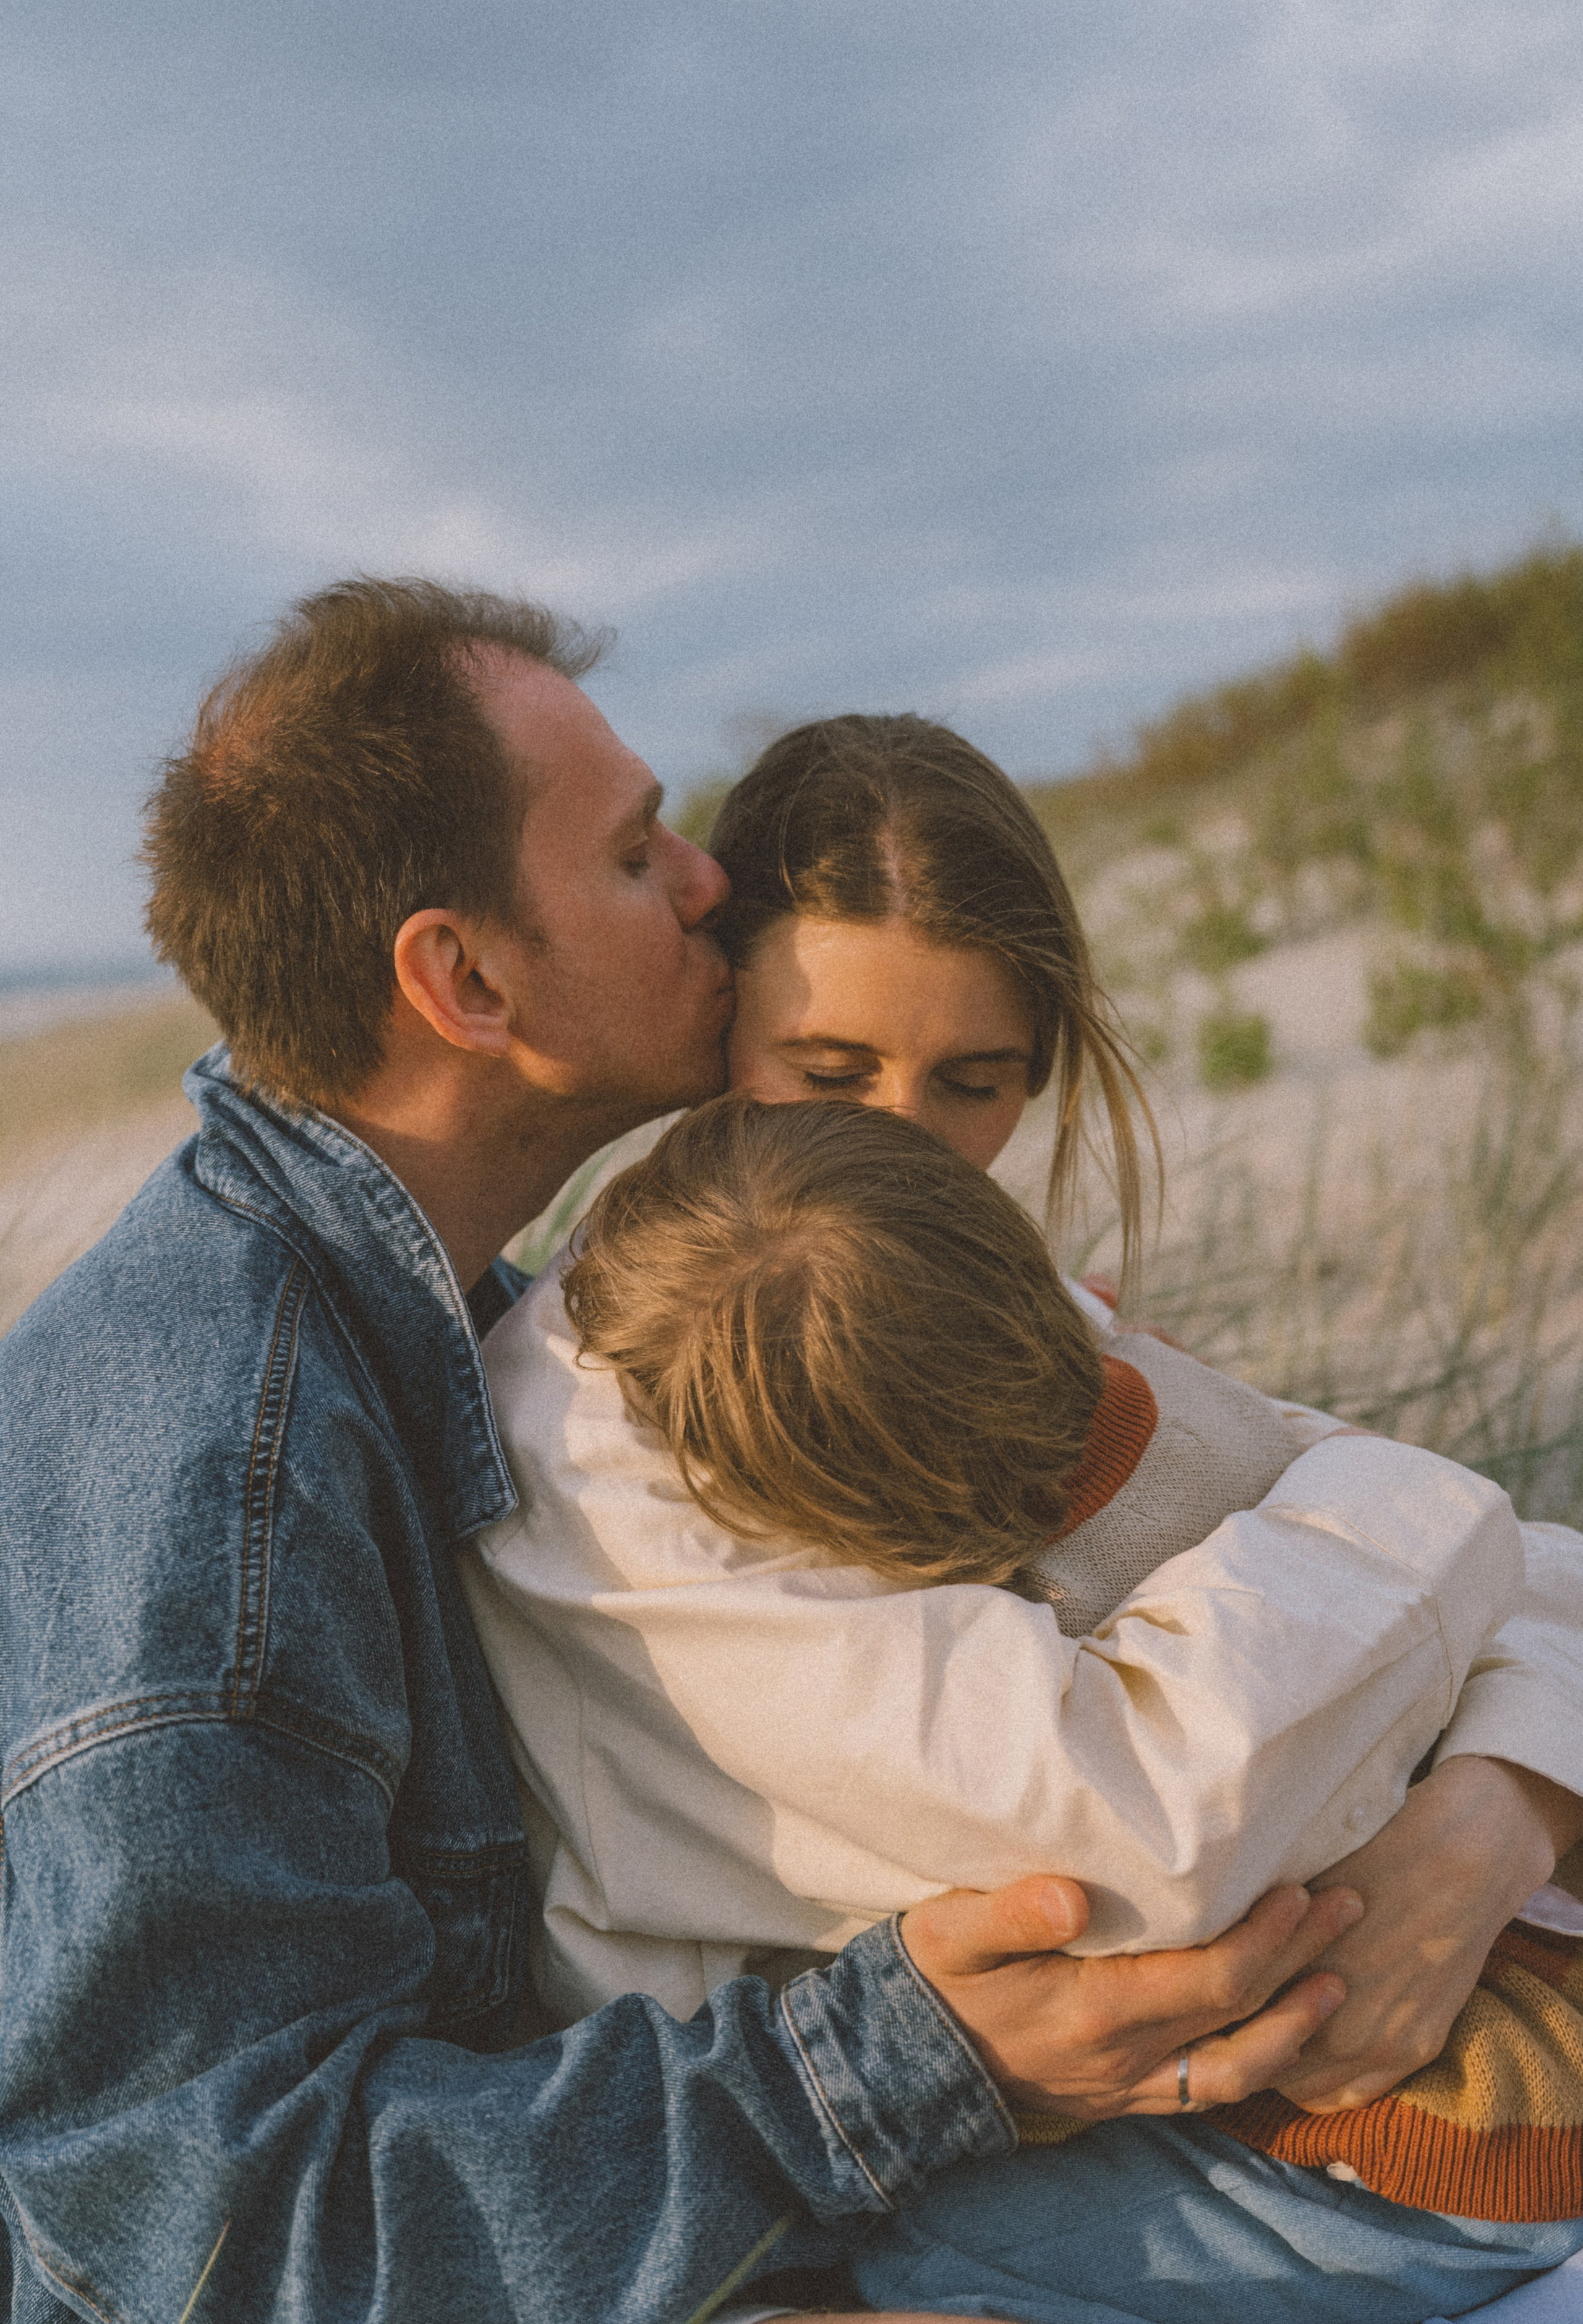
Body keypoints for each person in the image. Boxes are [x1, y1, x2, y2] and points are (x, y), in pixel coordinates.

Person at [0, 583, 1376, 2324]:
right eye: (640, 853)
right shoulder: (221, 1470)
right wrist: (889, 2064)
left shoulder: (440, 1320)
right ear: (469, 975)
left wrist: (1486, 1807)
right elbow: (216, 2238)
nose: (709, 878)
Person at [467, 712, 1583, 2322]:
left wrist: (1499, 1809)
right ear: (720, 1017)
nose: (902, 1144)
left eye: (975, 1080)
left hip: (1245, 2087)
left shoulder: (989, 1290)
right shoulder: (618, 1418)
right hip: (877, 2192)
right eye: (829, 1072)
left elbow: (1516, 1570)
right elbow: (1142, 1823)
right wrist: (1420, 1517)